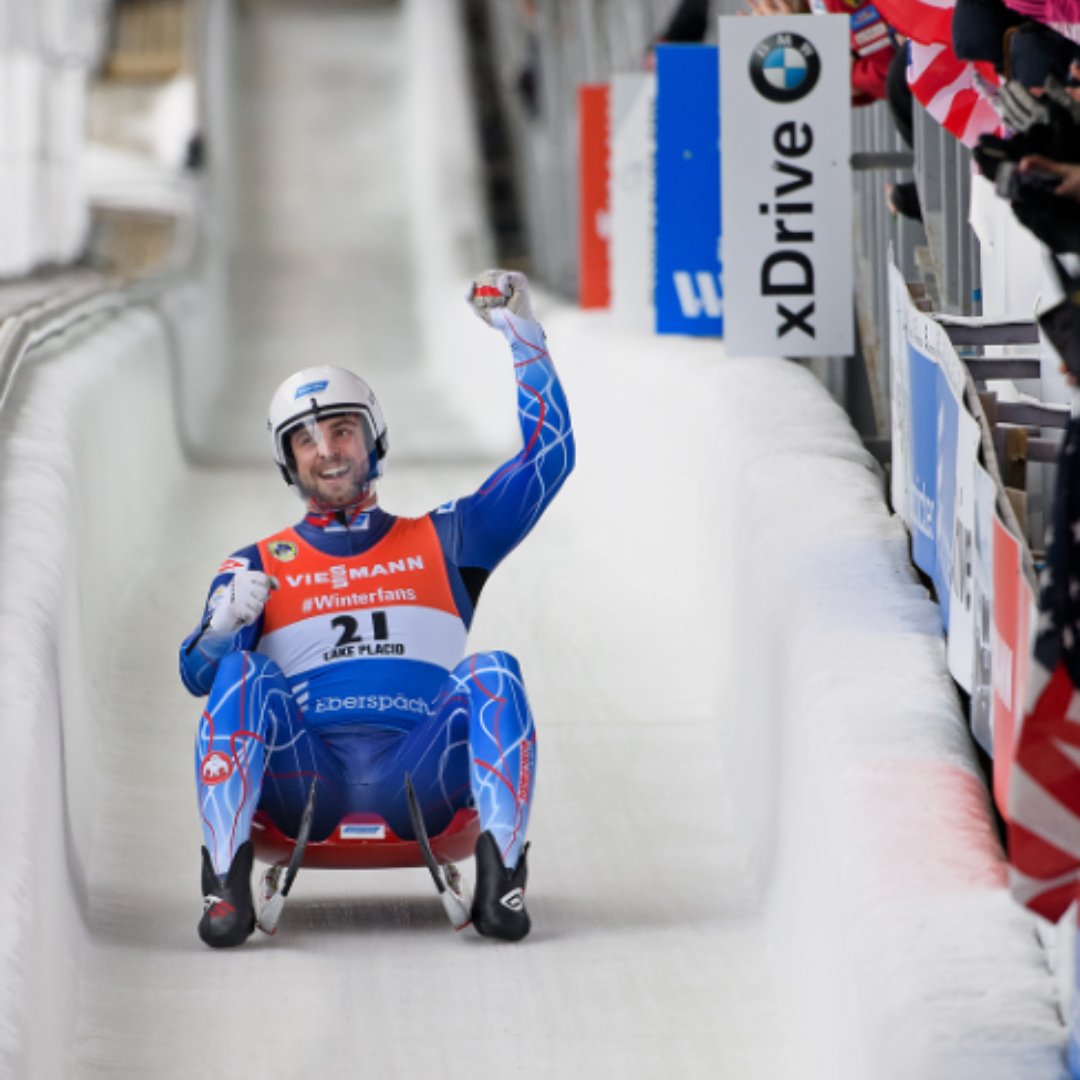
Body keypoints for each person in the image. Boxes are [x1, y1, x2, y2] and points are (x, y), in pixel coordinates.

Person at [179, 269, 575, 948]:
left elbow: (550, 458)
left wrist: (523, 339)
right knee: (243, 678)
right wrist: (219, 631)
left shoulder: (447, 538)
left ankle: (501, 878)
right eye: (306, 440)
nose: (328, 451)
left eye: (341, 430)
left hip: (417, 770)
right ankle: (225, 883)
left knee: (496, 671)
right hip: (307, 777)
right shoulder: (257, 563)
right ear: (288, 461)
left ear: (373, 441)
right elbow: (196, 677)